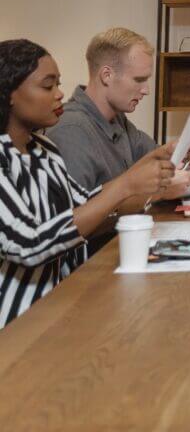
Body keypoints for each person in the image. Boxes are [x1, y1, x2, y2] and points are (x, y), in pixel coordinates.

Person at [0, 39, 175, 328]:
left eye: (58, 84)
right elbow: (29, 244)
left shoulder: (43, 149)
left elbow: (85, 202)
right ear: (9, 93)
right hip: (17, 325)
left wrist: (151, 174)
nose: (59, 95)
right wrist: (126, 186)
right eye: (47, 86)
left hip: (60, 305)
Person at [50, 27, 190, 198]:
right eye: (138, 80)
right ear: (107, 75)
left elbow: (158, 162)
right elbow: (77, 216)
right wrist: (159, 192)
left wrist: (187, 158)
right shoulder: (70, 130)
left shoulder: (116, 119)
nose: (146, 90)